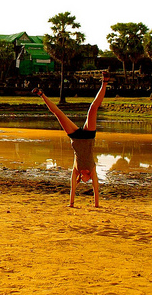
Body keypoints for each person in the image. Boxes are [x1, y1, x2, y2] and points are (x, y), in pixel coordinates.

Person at [32, 71, 110, 208]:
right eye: (89, 181)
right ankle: (105, 82)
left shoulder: (76, 170)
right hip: (89, 136)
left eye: (85, 181)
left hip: (75, 137)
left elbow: (72, 188)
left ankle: (41, 94)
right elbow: (96, 190)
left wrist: (71, 204)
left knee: (58, 114)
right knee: (93, 108)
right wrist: (97, 205)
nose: (87, 181)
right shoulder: (92, 170)